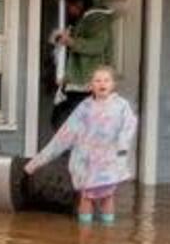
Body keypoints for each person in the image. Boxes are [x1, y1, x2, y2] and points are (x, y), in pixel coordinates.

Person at [24, 66, 137, 225]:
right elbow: (65, 134)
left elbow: (129, 125)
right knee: (86, 195)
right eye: (97, 80)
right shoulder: (85, 107)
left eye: (106, 80)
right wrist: (37, 162)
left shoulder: (121, 106)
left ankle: (107, 230)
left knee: (107, 195)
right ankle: (84, 232)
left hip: (108, 160)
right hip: (86, 160)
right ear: (91, 85)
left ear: (113, 84)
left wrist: (123, 145)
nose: (102, 84)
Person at [51, 0, 114, 131]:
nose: (68, 10)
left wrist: (71, 41)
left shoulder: (97, 19)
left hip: (88, 83)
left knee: (71, 123)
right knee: (61, 120)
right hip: (77, 83)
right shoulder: (82, 20)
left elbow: (97, 45)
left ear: (79, 3)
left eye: (70, 6)